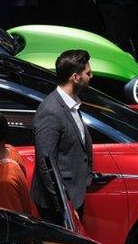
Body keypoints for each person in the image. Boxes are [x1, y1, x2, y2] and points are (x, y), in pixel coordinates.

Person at [32, 50, 93, 220]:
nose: (91, 76)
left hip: (73, 196)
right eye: (87, 73)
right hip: (57, 206)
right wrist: (64, 206)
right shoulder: (50, 111)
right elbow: (46, 164)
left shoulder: (71, 104)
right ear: (75, 77)